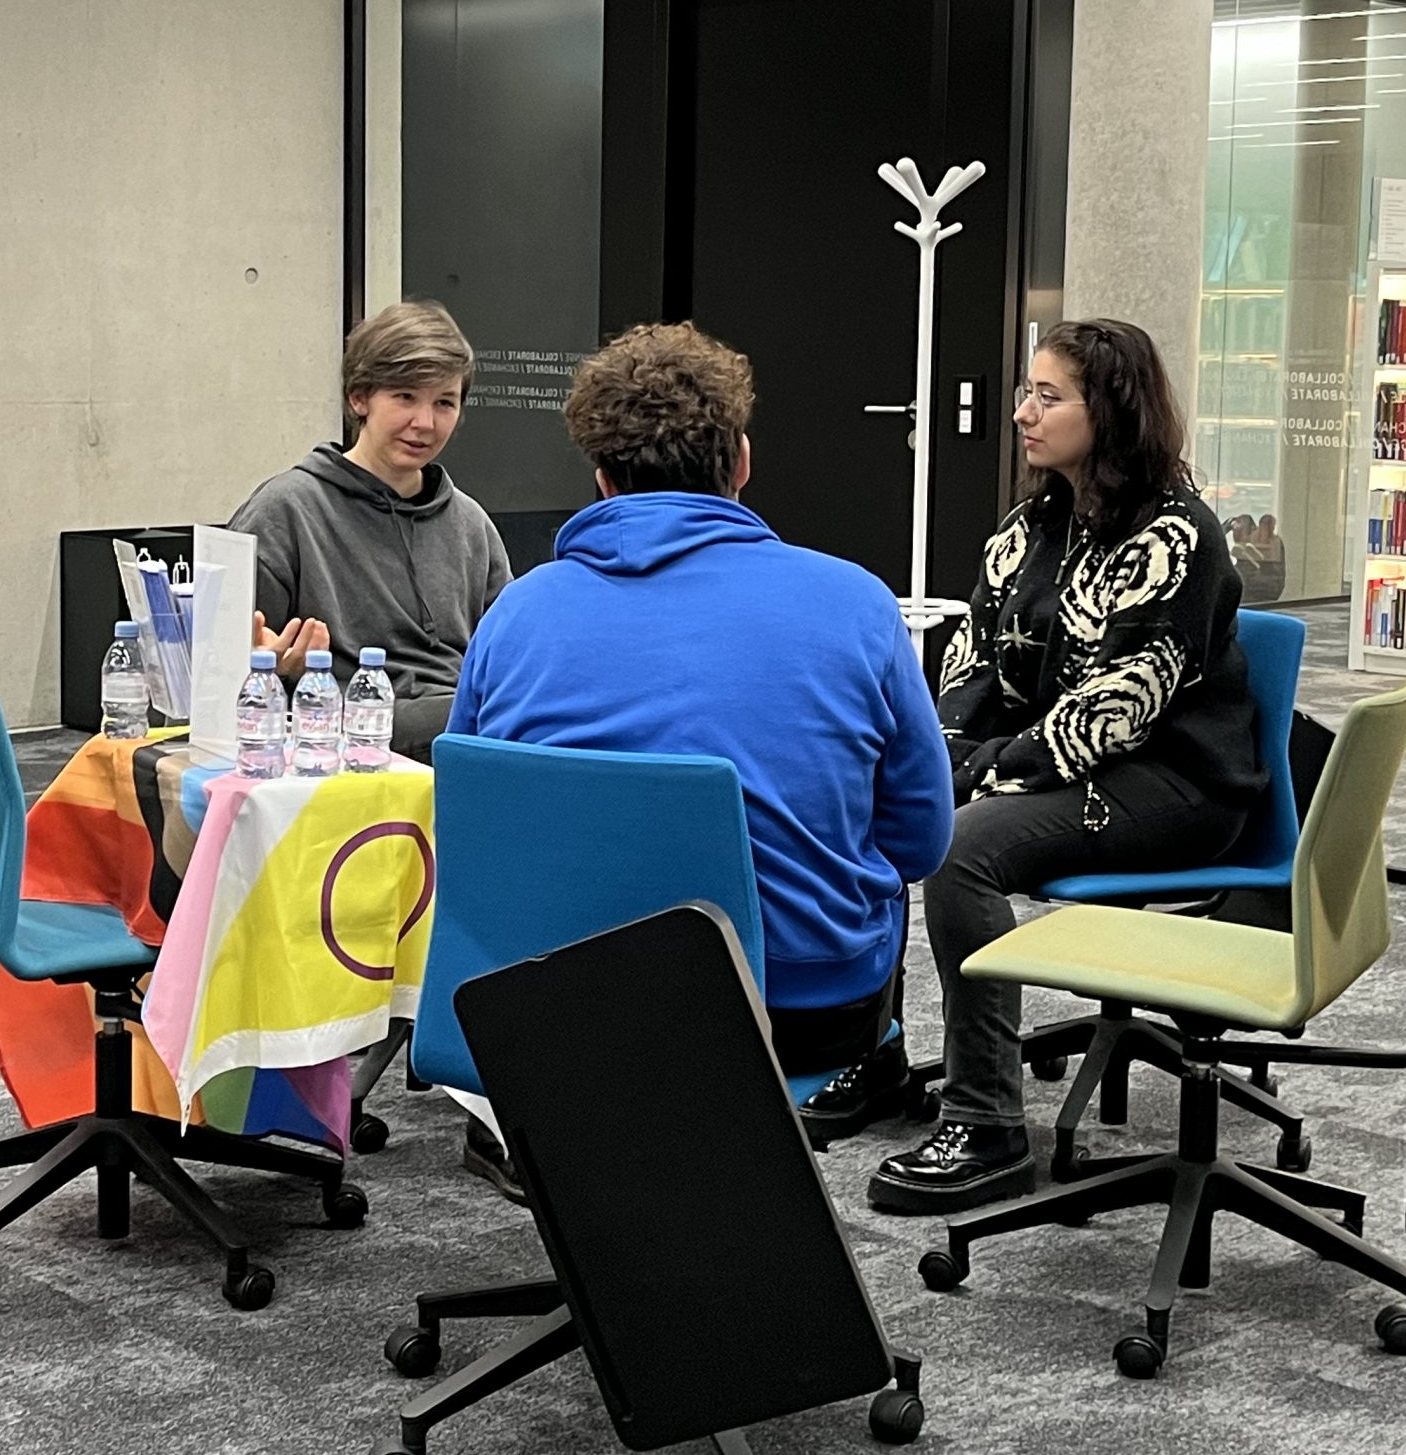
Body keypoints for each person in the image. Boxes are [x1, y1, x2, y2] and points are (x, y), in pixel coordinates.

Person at [448, 322, 955, 1197]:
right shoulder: (855, 603)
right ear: (742, 461)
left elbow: (479, 831)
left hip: (557, 1005)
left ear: (602, 478)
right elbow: (921, 841)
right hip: (798, 1010)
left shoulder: (517, 615)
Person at [866, 319, 1265, 1217]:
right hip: (1059, 764)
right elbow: (974, 661)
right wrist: (942, 755)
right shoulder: (1035, 523)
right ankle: (876, 1054)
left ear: (1111, 413)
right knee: (894, 801)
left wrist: (985, 772)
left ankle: (988, 1124)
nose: (1022, 414)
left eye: (1048, 398)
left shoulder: (1177, 538)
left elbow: (1115, 715)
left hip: (1174, 783)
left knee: (960, 848)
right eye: (1027, 393)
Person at [228, 301, 510, 763]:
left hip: (464, 734)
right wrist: (270, 668)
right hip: (343, 738)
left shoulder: (471, 524)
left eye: (444, 403)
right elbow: (224, 675)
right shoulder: (286, 511)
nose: (425, 423)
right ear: (359, 398)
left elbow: (509, 657)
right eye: (405, 397)